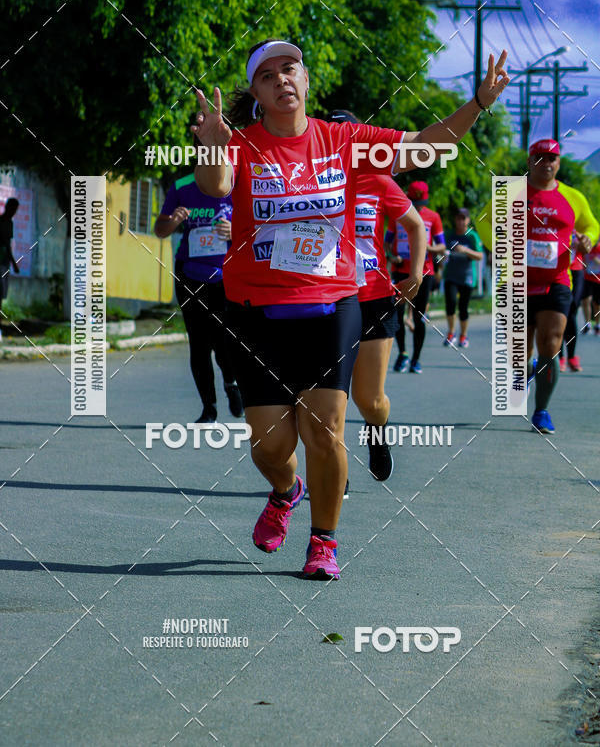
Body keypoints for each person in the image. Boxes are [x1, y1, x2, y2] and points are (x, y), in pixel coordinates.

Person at [193, 38, 509, 579]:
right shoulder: (240, 145)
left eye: (290, 69)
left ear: (307, 78)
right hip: (256, 312)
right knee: (271, 447)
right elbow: (215, 185)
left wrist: (477, 103)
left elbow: (427, 145)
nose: (282, 80)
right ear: (259, 94)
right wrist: (213, 148)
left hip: (330, 305)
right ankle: (285, 491)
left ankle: (324, 542)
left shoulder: (346, 142)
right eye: (267, 76)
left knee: (325, 429)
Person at [327, 110, 426, 485]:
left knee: (369, 400)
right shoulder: (311, 180)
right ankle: (332, 472)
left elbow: (415, 226)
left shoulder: (380, 181)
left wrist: (415, 273)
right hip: (327, 298)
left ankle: (377, 433)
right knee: (328, 402)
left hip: (374, 297)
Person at [478, 138, 599, 434]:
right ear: (530, 161)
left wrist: (588, 240)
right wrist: (498, 245)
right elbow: (483, 221)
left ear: (559, 163)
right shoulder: (511, 192)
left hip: (556, 281)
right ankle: (528, 369)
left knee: (550, 343)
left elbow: (591, 225)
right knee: (516, 353)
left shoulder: (572, 196)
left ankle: (541, 411)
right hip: (515, 281)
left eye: (553, 159)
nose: (547, 163)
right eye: (541, 158)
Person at [155, 159, 243, 423]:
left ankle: (231, 383)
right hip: (189, 275)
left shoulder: (237, 184)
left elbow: (257, 229)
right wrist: (173, 221)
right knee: (199, 344)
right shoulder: (182, 187)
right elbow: (160, 229)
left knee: (224, 340)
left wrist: (235, 230)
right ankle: (209, 408)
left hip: (226, 277)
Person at [389, 181, 445, 373]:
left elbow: (442, 246)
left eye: (422, 203)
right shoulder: (397, 215)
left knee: (419, 317)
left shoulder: (433, 217)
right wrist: (391, 256)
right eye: (416, 202)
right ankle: (403, 354)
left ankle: (416, 359)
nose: (419, 207)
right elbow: (387, 243)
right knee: (397, 315)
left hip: (424, 272)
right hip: (400, 270)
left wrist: (426, 248)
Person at [442, 208, 484, 348]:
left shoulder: (471, 236)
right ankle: (451, 332)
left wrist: (465, 250)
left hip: (467, 276)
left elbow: (480, 256)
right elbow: (441, 249)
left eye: (463, 218)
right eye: (458, 218)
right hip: (451, 275)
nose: (460, 221)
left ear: (467, 220)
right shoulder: (449, 234)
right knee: (451, 303)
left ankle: (463, 335)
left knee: (463, 307)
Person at [558, 235, 586, 371]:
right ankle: (560, 357)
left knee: (572, 311)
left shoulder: (581, 219)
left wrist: (585, 239)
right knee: (558, 312)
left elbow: (590, 242)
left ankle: (571, 357)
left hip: (576, 269)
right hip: (558, 268)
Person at [0, 197, 20, 339]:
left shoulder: (10, 223)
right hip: (2, 262)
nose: (14, 212)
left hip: (4, 262)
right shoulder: (2, 222)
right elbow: (6, 244)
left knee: (1, 295)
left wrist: (12, 262)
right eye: (13, 209)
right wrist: (14, 262)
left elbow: (8, 244)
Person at [582, 240, 600, 335]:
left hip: (598, 279)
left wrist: (597, 261)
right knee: (586, 301)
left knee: (596, 304)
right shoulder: (586, 248)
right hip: (587, 278)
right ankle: (587, 323)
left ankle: (597, 324)